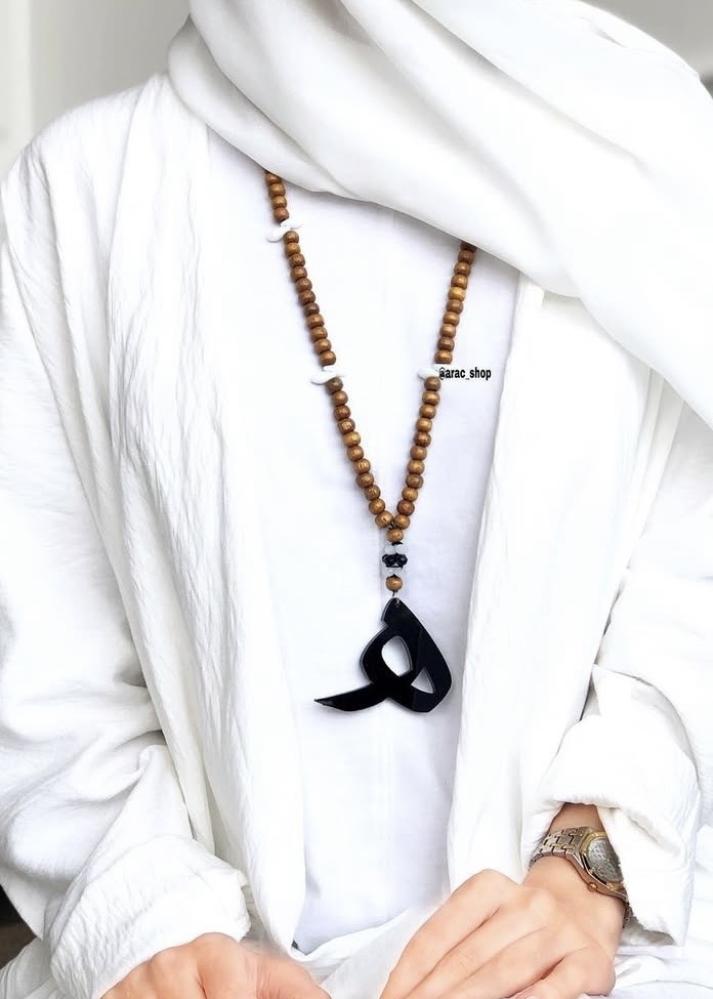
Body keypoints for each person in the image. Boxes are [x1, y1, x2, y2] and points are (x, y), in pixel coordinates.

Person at [1, 1, 713, 997]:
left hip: (606, 959)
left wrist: (591, 863)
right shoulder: (81, 189)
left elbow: (689, 589)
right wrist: (147, 919)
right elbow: (45, 662)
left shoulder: (649, 151)